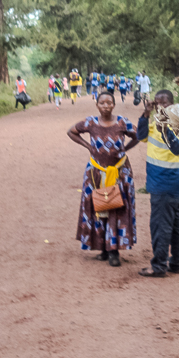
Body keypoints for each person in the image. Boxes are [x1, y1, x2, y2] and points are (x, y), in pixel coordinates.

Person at [67, 91, 140, 267]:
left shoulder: (123, 122)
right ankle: (103, 248)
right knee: (99, 206)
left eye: (109, 103)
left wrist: (125, 149)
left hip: (120, 172)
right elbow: (71, 132)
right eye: (102, 103)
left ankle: (114, 251)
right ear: (97, 105)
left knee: (116, 206)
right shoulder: (90, 122)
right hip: (96, 172)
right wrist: (88, 146)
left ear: (114, 104)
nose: (106, 106)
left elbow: (138, 135)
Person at [136, 90, 179, 278]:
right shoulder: (154, 124)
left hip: (166, 183)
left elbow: (178, 149)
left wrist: (164, 127)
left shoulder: (178, 124)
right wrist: (146, 114)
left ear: (172, 104)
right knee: (175, 226)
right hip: (168, 185)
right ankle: (178, 263)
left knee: (161, 226)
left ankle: (158, 266)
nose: (161, 107)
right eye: (157, 104)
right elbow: (140, 136)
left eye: (164, 103)